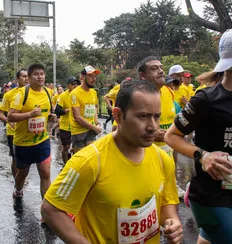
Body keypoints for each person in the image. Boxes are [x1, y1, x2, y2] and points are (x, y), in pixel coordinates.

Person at [41, 80, 183, 244]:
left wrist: (173, 221)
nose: (152, 127)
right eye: (143, 116)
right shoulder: (89, 161)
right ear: (117, 115)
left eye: (156, 116)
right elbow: (50, 209)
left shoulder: (162, 158)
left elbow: (167, 202)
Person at [165, 27, 232, 244]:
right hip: (211, 198)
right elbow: (171, 137)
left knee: (207, 239)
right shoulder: (206, 100)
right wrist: (204, 155)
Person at [8, 64, 54, 212]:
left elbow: (48, 114)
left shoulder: (48, 92)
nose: (40, 76)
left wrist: (52, 117)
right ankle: (18, 192)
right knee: (22, 173)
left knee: (45, 173)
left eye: (42, 74)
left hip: (42, 141)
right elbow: (11, 116)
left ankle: (46, 211)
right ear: (29, 77)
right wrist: (29, 114)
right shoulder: (21, 94)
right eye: (36, 74)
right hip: (23, 143)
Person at [138, 57, 185, 198]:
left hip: (167, 155)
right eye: (154, 68)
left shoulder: (168, 92)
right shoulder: (134, 96)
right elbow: (117, 131)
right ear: (142, 76)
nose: (160, 71)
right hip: (144, 162)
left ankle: (173, 183)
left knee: (169, 208)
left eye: (161, 67)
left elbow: (172, 118)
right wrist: (152, 134)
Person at [0, 69, 29, 178]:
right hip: (13, 133)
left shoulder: (36, 92)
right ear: (17, 79)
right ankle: (17, 182)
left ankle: (21, 180)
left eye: (28, 76)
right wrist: (8, 121)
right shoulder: (9, 95)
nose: (27, 79)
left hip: (30, 132)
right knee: (15, 158)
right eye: (24, 76)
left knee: (27, 160)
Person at [68, 66, 102, 154]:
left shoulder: (93, 92)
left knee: (91, 156)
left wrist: (97, 123)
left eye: (95, 76)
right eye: (90, 76)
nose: (94, 79)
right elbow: (77, 118)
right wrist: (94, 127)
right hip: (79, 132)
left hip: (91, 130)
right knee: (81, 160)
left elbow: (94, 109)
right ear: (82, 77)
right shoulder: (74, 94)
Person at [54, 77, 80, 167]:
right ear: (68, 85)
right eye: (73, 84)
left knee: (77, 148)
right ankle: (66, 165)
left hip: (77, 126)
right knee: (66, 147)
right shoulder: (62, 96)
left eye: (77, 84)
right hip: (65, 126)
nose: (75, 86)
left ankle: (74, 165)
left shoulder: (79, 95)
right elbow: (57, 110)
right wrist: (67, 110)